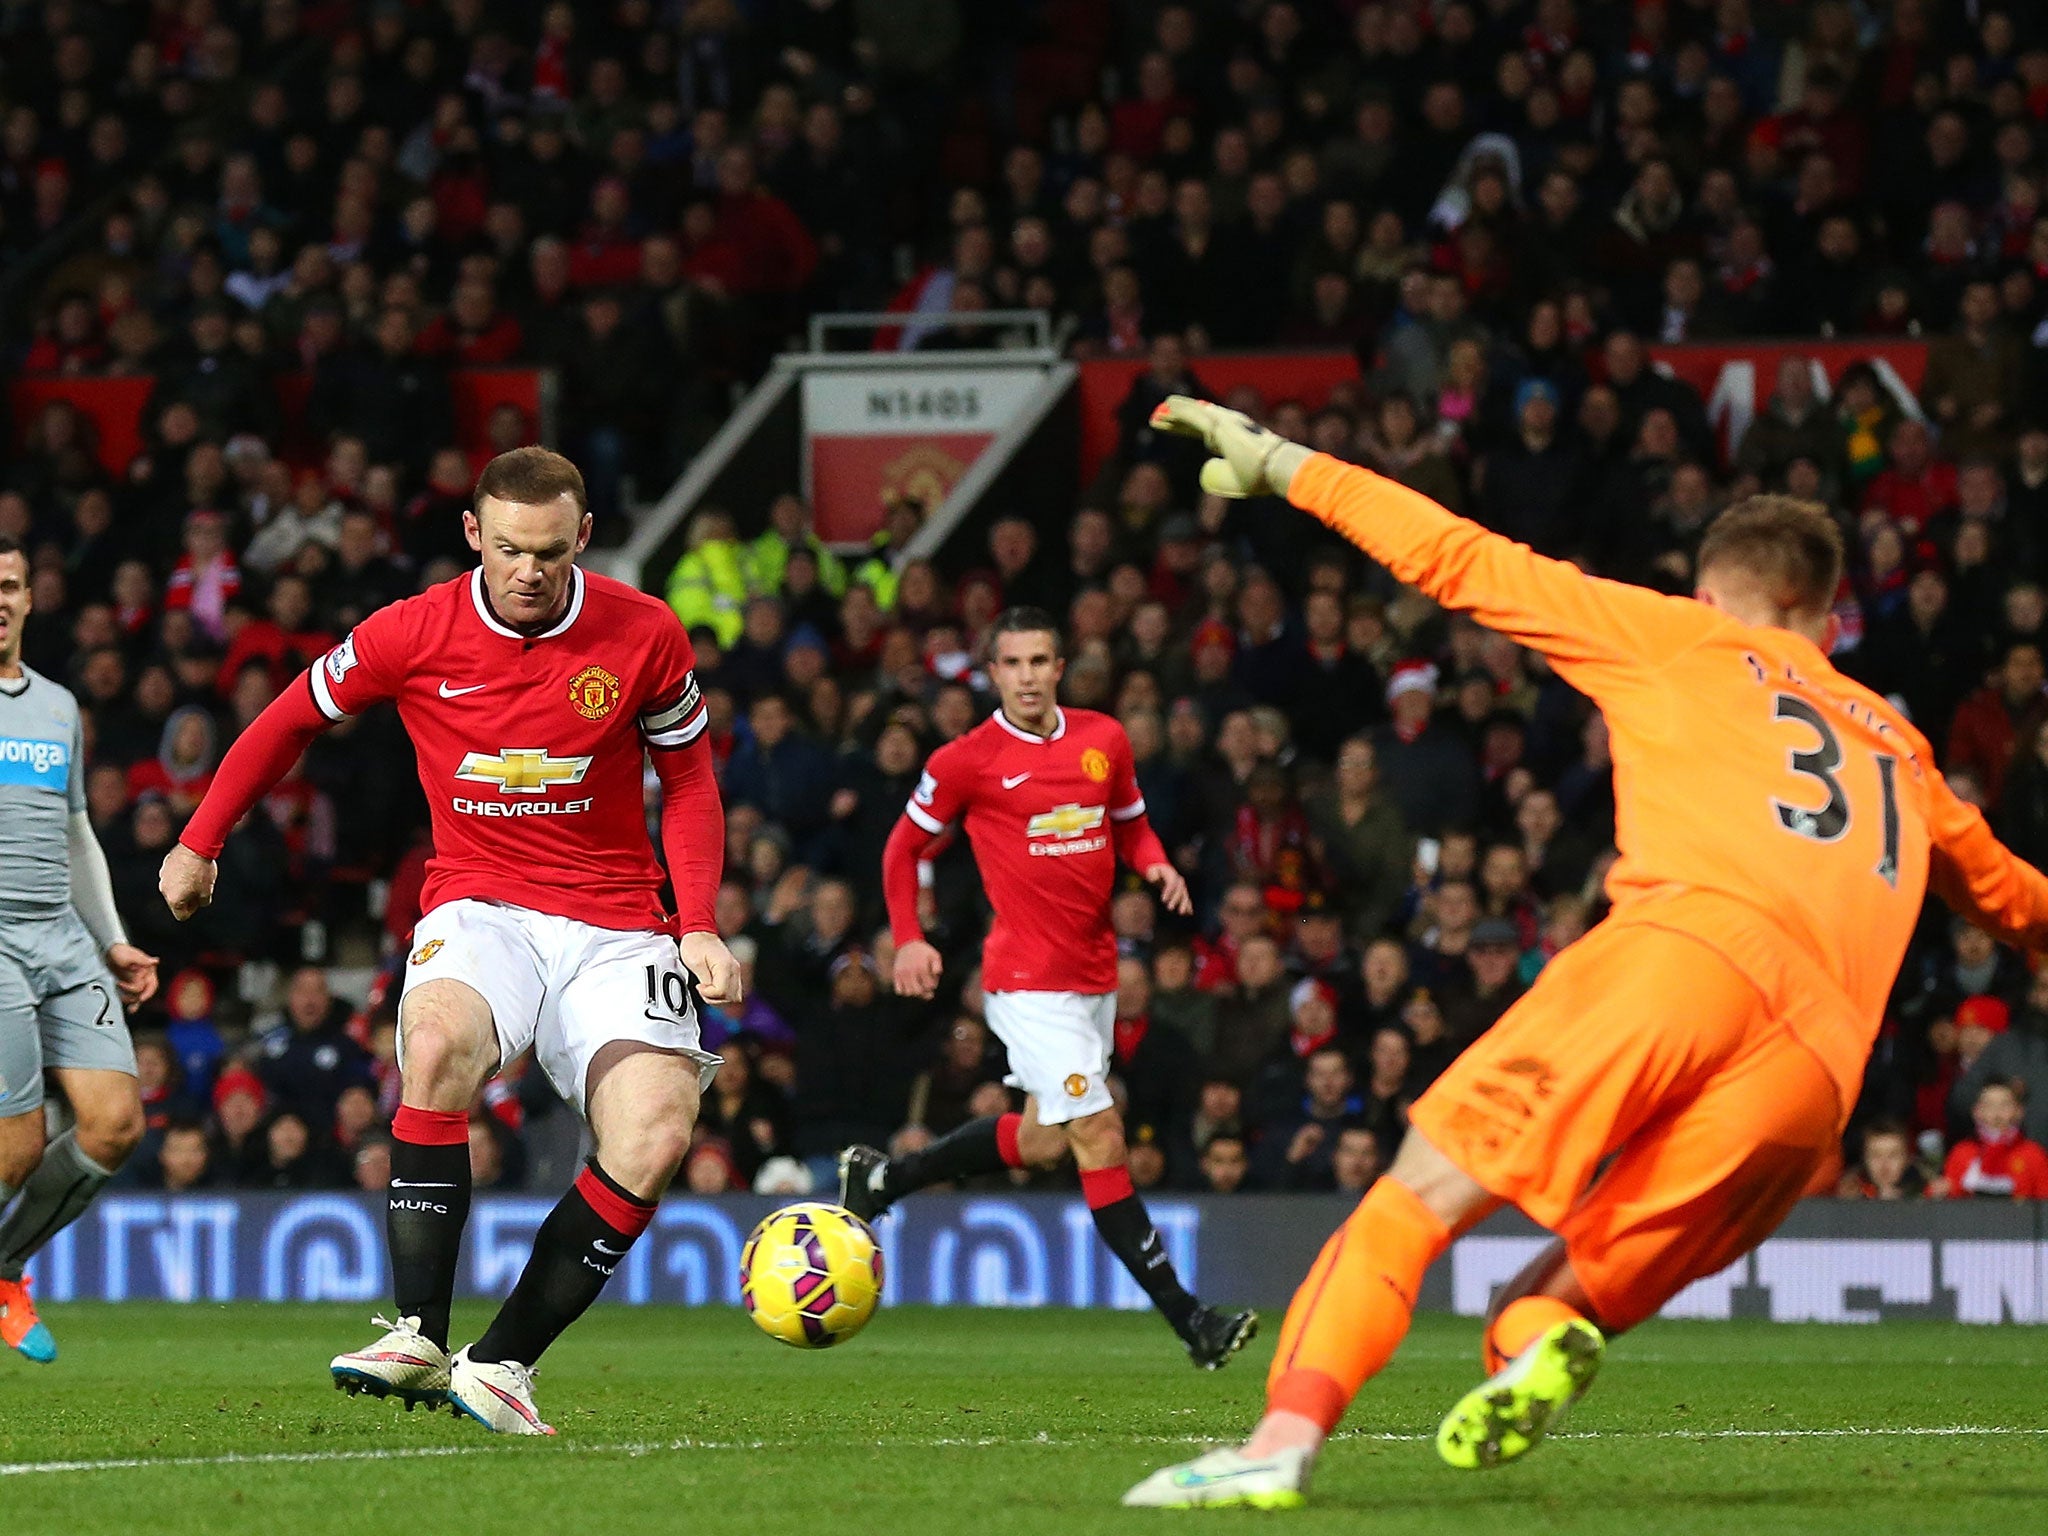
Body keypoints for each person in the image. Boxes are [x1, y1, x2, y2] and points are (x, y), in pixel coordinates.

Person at [1126, 396, 2048, 1508]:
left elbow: (1460, 557)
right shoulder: (1901, 748)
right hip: (1816, 1077)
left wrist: (1285, 465)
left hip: (1683, 954)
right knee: (1559, 1299)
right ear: (1828, 617)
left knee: (1413, 1201)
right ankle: (1530, 1338)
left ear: (1714, 594)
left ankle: (1276, 1443)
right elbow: (2016, 902)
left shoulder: (1678, 635)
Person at [158, 448, 740, 1435]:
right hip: (482, 905)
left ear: (583, 539)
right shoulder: (413, 630)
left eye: (549, 553)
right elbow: (290, 717)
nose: (528, 571)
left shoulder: (642, 633)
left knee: (656, 1133)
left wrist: (699, 923)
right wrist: (198, 838)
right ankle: (418, 1333)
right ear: (473, 534)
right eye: (509, 548)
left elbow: (687, 780)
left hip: (616, 922)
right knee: (431, 1048)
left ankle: (504, 1363)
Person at [839, 607, 1257, 1368]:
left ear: (1059, 667)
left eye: (1040, 661)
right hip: (1027, 986)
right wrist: (908, 938)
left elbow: (1130, 822)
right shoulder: (967, 760)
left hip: (1092, 977)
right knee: (1100, 1133)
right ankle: (1192, 1321)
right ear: (992, 673)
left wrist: (1156, 862)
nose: (1027, 676)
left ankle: (882, 1178)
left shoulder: (1104, 740)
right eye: (1013, 664)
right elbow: (903, 848)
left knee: (1038, 1141)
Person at [0, 534, 158, 1363]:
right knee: (17, 1148)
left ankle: (3, 1268)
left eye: (11, 585)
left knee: (115, 1123)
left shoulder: (58, 706)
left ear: (30, 599)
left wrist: (117, 942)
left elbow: (76, 833)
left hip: (60, 936)